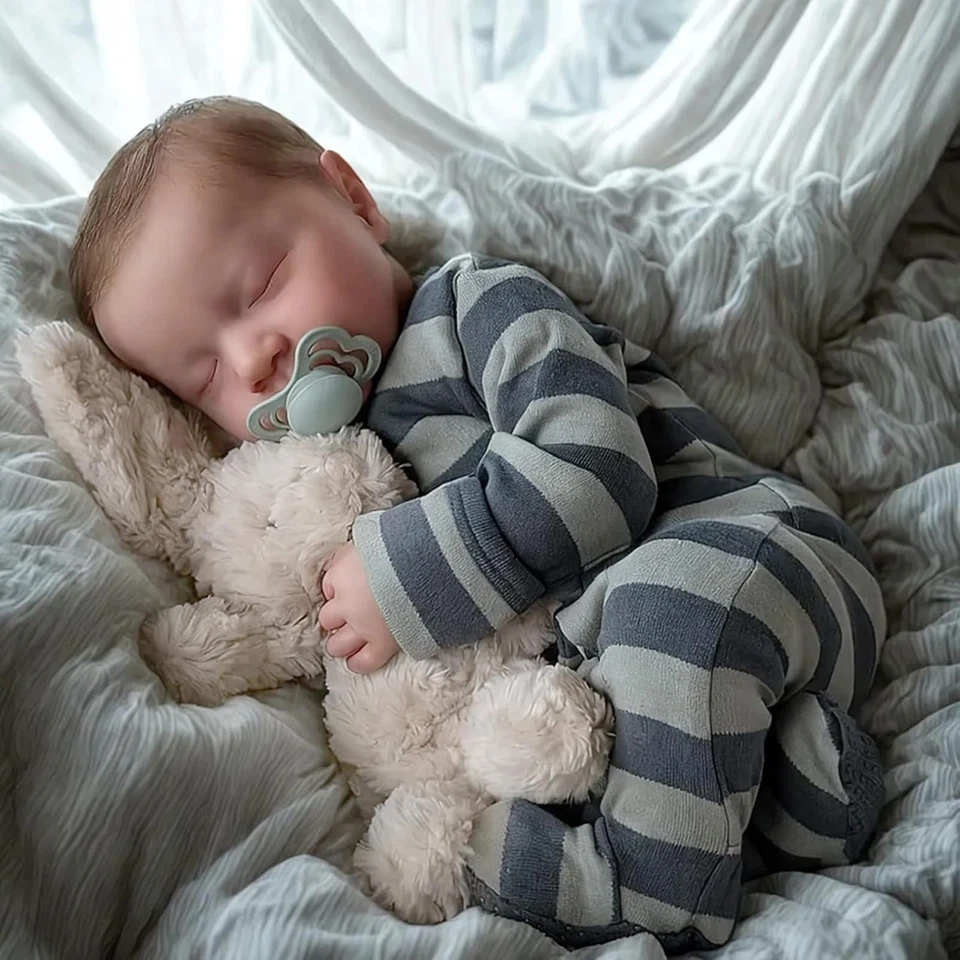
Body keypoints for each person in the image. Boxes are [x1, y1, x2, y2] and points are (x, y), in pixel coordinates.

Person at [69, 96, 885, 952]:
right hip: (685, 683)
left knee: (664, 605)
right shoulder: (323, 480)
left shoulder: (476, 307)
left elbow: (597, 473)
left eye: (263, 283)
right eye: (204, 378)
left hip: (757, 557)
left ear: (353, 199)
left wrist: (404, 574)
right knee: (582, 742)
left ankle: (649, 895)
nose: (252, 359)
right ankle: (792, 798)